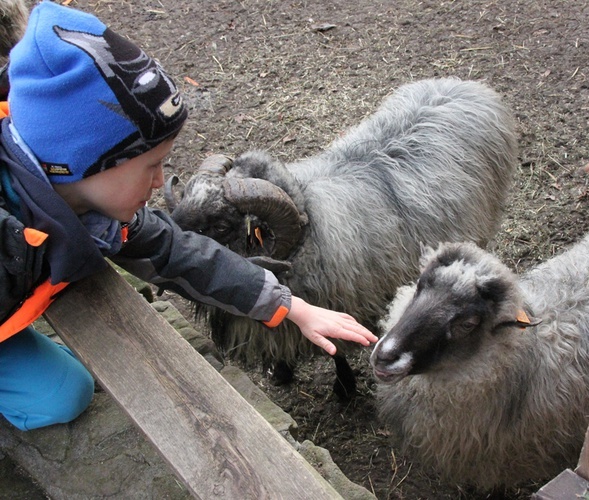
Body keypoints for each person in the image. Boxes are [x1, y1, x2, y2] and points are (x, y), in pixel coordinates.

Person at [0, 1, 377, 431]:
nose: (161, 183)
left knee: (65, 390)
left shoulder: (93, 205)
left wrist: (290, 307)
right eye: (149, 167)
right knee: (59, 396)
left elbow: (177, 251)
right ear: (86, 164)